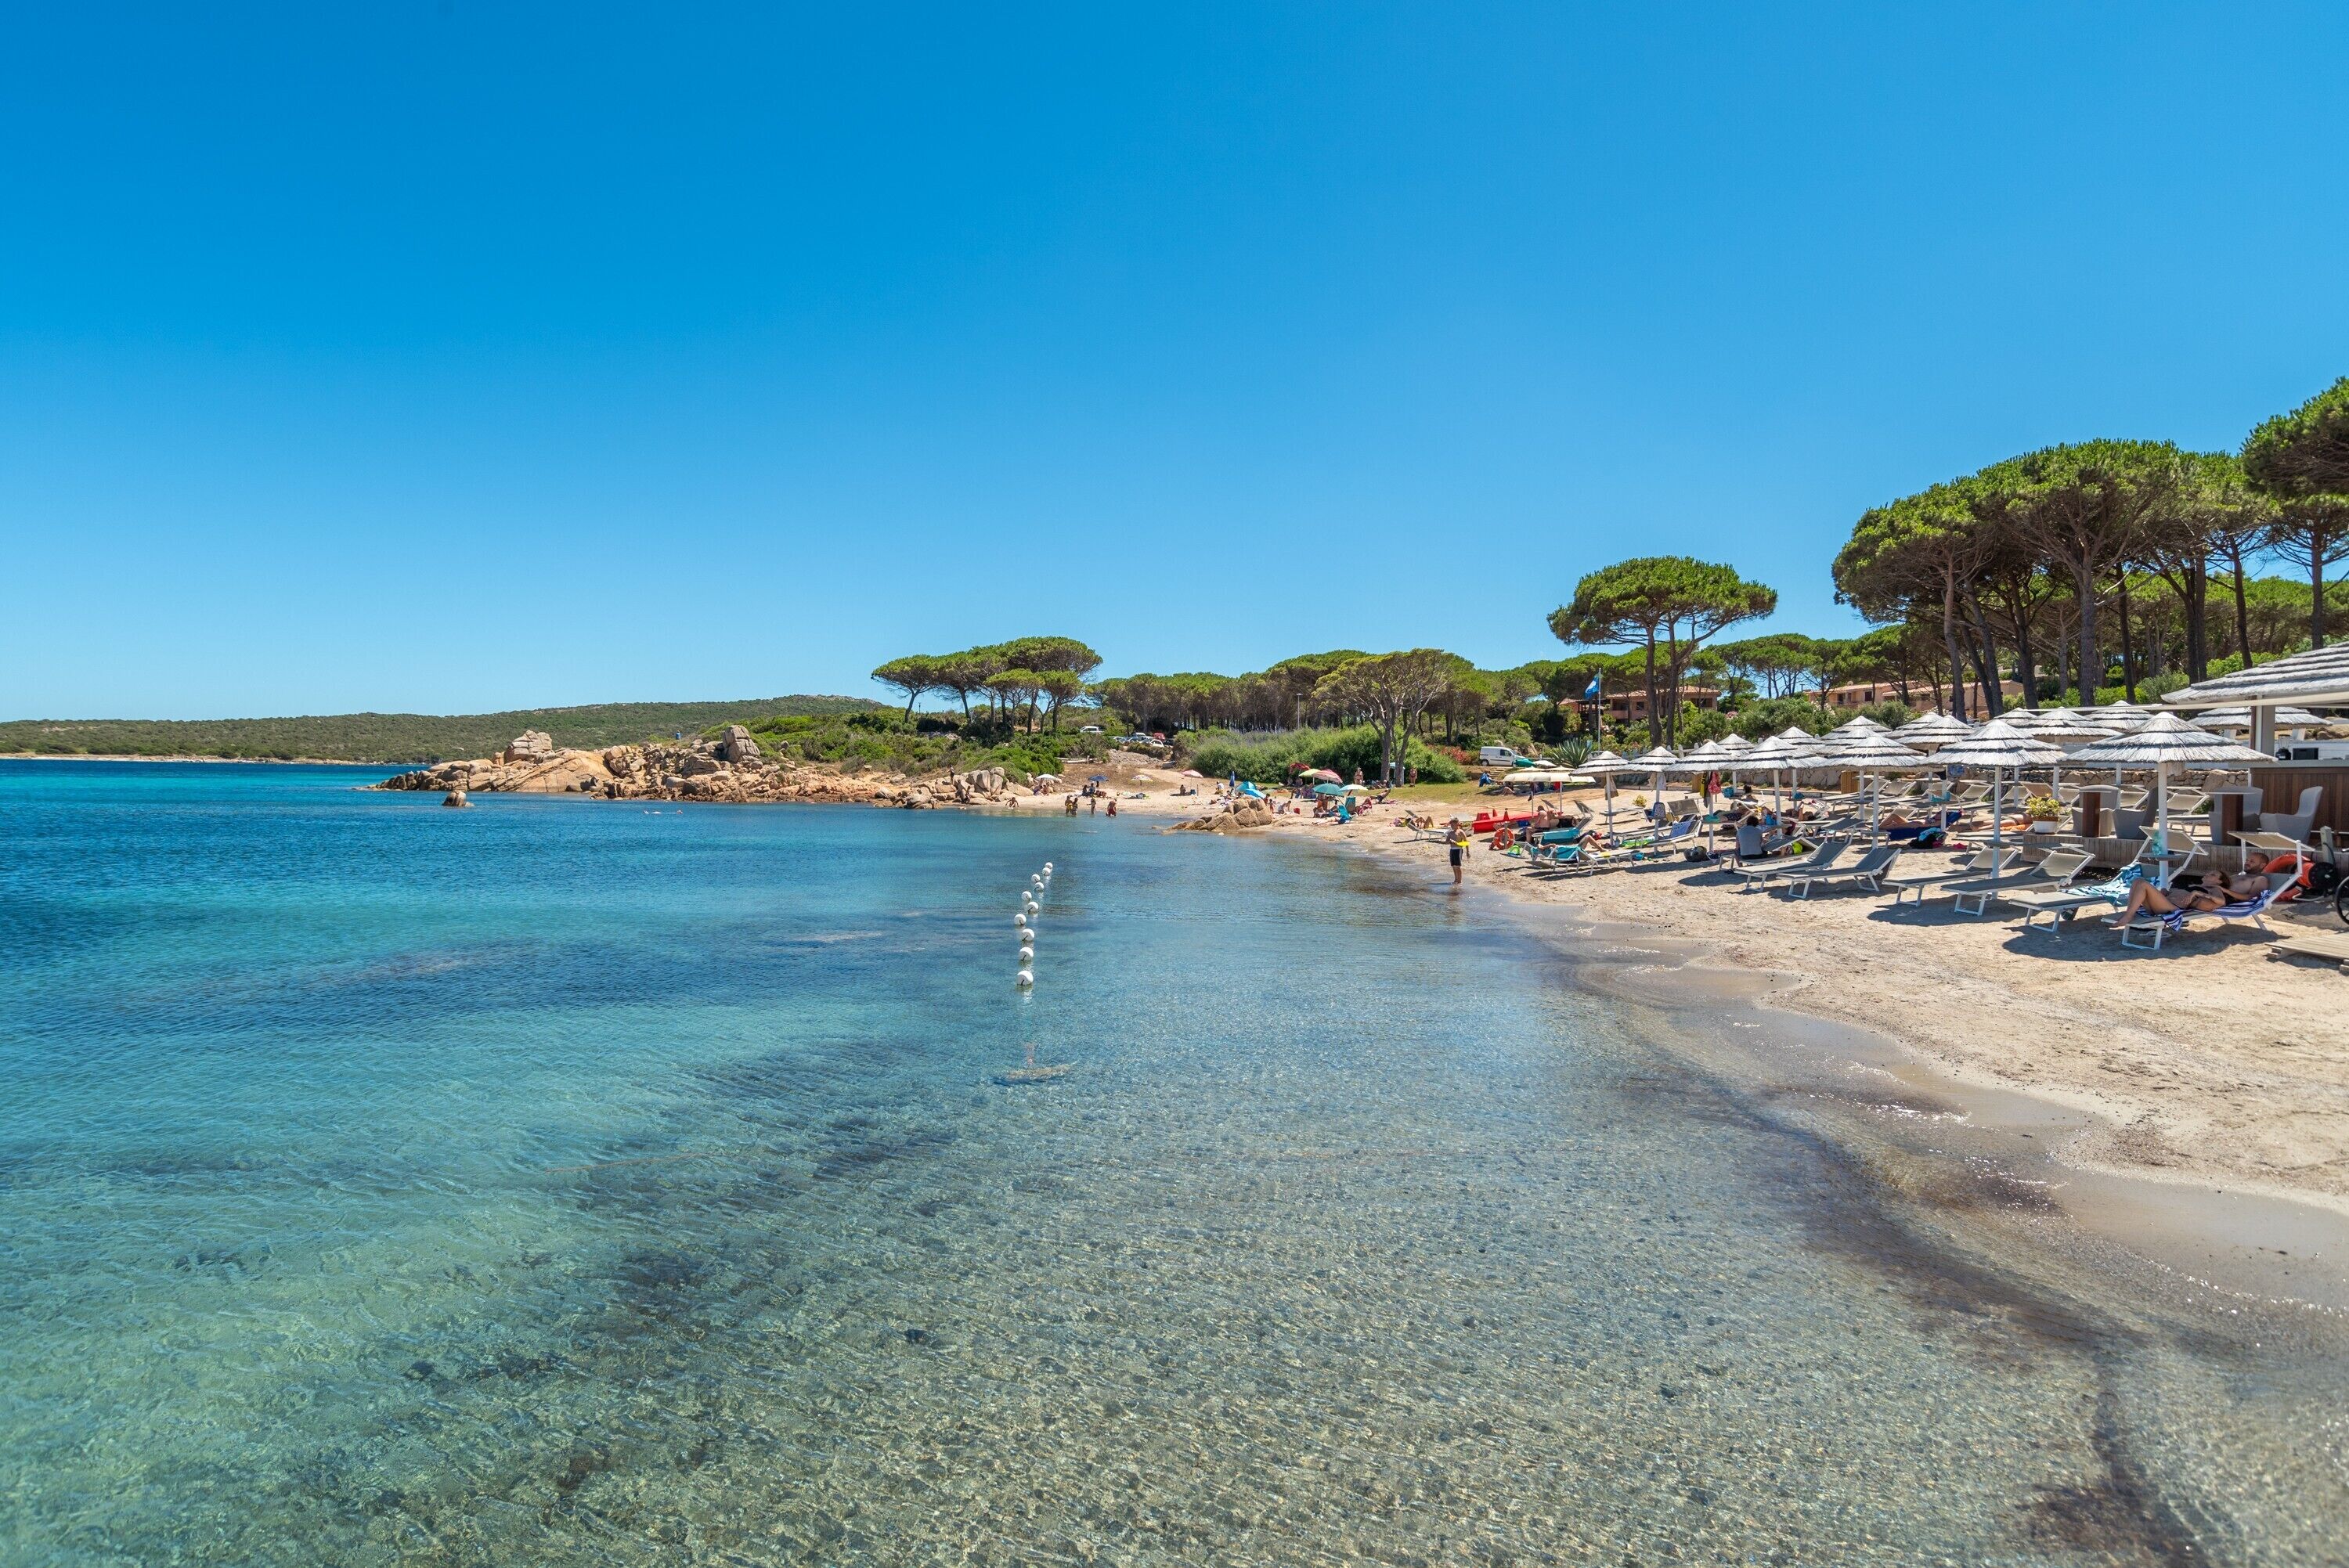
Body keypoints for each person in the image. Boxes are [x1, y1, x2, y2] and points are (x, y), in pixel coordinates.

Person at [2105, 869, 2268, 929]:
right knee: (2137, 882)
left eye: (2212, 874)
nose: (2207, 874)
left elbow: (2221, 903)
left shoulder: (2214, 889)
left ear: (2219, 881)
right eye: (2208, 872)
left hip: (2171, 908)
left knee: (2142, 883)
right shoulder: (2195, 884)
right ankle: (2129, 913)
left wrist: (2199, 894)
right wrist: (2164, 893)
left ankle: (2128, 915)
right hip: (2163, 903)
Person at [1446, 819, 1470, 888]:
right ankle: (1456, 879)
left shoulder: (1461, 832)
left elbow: (1466, 842)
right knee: (1453, 865)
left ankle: (1459, 881)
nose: (1451, 826)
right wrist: (1450, 841)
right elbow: (1446, 842)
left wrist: (1468, 852)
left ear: (1457, 824)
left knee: (1458, 866)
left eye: (1453, 825)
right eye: (1451, 825)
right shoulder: (1450, 833)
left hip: (1458, 850)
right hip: (1452, 850)